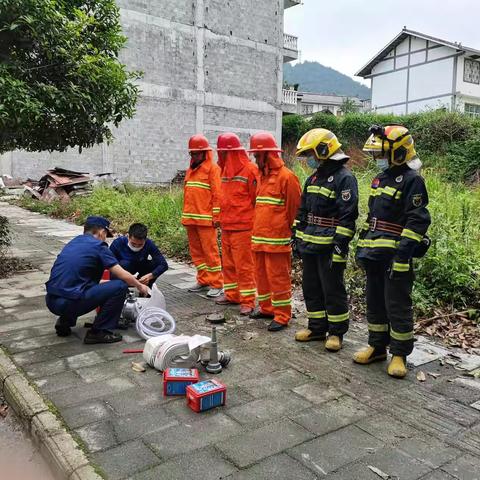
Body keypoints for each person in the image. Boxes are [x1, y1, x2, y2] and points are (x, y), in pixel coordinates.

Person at [354, 125, 431, 378]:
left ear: (398, 153)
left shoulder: (412, 180)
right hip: (374, 252)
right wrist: (362, 248)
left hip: (395, 255)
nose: (378, 160)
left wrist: (402, 256)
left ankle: (399, 354)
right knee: (375, 302)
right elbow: (373, 218)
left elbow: (417, 221)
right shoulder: (380, 179)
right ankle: (377, 347)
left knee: (396, 305)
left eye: (382, 154)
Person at [294, 129, 359, 352]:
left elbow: (347, 215)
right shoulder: (312, 178)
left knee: (332, 289)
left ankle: (336, 332)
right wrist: (297, 240)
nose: (309, 159)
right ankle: (317, 328)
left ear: (323, 150)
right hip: (310, 244)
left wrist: (340, 245)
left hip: (330, 246)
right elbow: (303, 211)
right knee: (311, 287)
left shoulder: (344, 178)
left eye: (311, 153)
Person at [45, 216, 149, 344]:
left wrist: (109, 285)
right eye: (106, 234)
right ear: (102, 232)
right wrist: (139, 285)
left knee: (73, 287)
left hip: (51, 300)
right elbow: (122, 275)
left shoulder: (73, 243)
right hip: (69, 303)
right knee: (120, 286)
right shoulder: (98, 246)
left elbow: (82, 280)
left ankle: (64, 323)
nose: (105, 237)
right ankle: (99, 332)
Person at [248, 132, 301, 331]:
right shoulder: (261, 177)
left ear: (267, 155)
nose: (254, 158)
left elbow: (293, 209)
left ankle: (282, 315)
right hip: (260, 240)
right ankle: (266, 307)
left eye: (257, 155)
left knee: (278, 279)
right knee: (261, 276)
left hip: (277, 241)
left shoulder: (287, 177)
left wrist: (285, 232)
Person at [214, 132, 259, 315]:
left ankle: (248, 300)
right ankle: (232, 294)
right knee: (229, 264)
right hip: (227, 226)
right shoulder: (225, 171)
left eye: (224, 152)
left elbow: (257, 199)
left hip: (244, 228)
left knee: (245, 266)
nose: (221, 156)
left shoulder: (250, 170)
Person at [182, 134, 223, 298]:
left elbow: (217, 195)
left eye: (196, 153)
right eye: (192, 153)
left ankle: (217, 283)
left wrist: (216, 217)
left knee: (210, 253)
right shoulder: (190, 171)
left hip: (205, 220)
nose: (193, 156)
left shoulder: (213, 169)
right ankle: (203, 279)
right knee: (197, 253)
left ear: (205, 153)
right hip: (191, 219)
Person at [110, 223, 168, 288]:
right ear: (128, 237)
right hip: (122, 273)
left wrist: (150, 276)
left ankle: (146, 288)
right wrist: (125, 276)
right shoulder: (118, 243)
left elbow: (163, 264)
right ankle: (121, 288)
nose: (136, 246)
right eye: (133, 243)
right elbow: (108, 264)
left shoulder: (149, 243)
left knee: (155, 264)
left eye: (140, 245)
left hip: (140, 273)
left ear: (145, 240)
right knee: (125, 263)